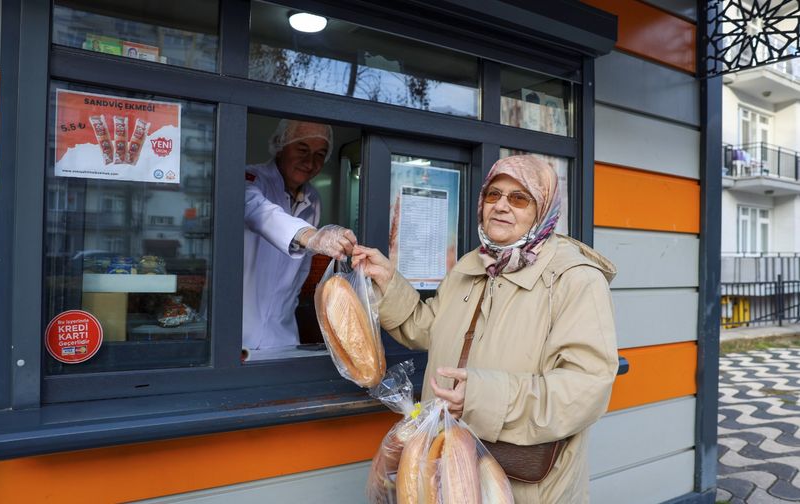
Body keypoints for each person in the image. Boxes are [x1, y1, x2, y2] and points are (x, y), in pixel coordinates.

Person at [353, 155, 618, 502]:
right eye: (494, 195)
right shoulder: (472, 265)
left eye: (519, 198)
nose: (502, 206)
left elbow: (587, 388)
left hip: (524, 486)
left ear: (543, 210)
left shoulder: (575, 279)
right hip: (447, 470)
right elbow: (429, 328)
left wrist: (481, 397)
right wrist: (388, 281)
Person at [244, 119, 356, 350]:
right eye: (302, 149)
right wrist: (312, 237)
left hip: (282, 335)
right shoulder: (251, 179)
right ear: (280, 146)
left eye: (319, 154)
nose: (310, 161)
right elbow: (259, 212)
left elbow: (300, 273)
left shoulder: (313, 199)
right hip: (236, 332)